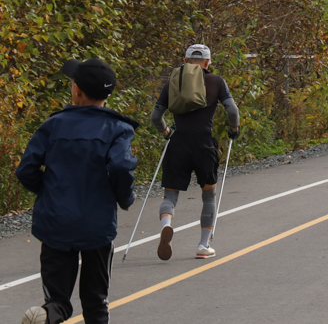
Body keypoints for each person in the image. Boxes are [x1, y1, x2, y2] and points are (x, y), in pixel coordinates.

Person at [17, 59, 137, 324]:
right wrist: (124, 197)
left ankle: (47, 314)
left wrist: (48, 191)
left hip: (55, 221)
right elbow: (119, 167)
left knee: (57, 300)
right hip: (97, 225)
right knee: (96, 300)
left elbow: (26, 169)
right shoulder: (119, 129)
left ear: (76, 90)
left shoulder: (53, 125)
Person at [151, 43, 240, 261]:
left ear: (185, 60)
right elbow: (232, 110)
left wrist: (166, 131)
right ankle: (203, 245)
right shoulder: (216, 81)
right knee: (208, 195)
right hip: (204, 145)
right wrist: (234, 129)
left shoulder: (173, 81)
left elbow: (155, 117)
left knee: (170, 195)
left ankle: (167, 225)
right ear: (208, 62)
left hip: (178, 143)